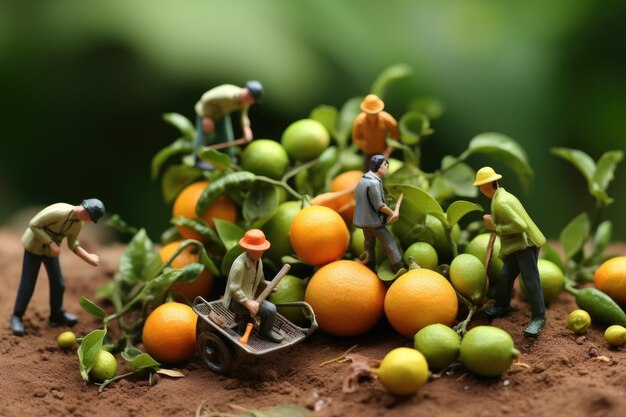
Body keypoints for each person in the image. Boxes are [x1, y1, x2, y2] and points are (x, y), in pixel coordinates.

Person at [10, 199, 106, 336]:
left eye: (91, 219)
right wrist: (50, 243)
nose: (88, 219)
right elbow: (34, 224)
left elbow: (73, 245)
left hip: (51, 252)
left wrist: (88, 257)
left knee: (58, 283)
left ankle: (56, 315)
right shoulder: (59, 211)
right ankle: (17, 316)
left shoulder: (78, 225)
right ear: (83, 208)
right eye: (89, 216)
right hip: (34, 247)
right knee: (28, 283)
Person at [473, 167, 547, 337]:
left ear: (487, 186)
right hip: (516, 244)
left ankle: (539, 317)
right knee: (506, 275)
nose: (481, 189)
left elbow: (520, 225)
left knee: (530, 280)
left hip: (526, 244)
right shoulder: (500, 197)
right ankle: (501, 306)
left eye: (481, 186)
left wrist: (496, 227)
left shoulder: (501, 202)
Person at [223, 229, 283, 343]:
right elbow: (234, 288)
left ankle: (248, 330)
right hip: (236, 301)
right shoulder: (239, 265)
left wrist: (268, 285)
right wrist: (248, 303)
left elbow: (260, 280)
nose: (260, 252)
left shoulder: (258, 261)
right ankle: (264, 332)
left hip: (250, 297)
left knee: (251, 316)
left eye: (262, 250)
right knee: (270, 310)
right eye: (257, 250)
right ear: (248, 248)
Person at [193, 80, 264, 169]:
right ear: (247, 94)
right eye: (252, 100)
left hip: (221, 114)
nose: (252, 103)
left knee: (226, 135)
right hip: (205, 112)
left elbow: (243, 115)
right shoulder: (227, 95)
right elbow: (205, 99)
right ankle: (197, 159)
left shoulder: (245, 102)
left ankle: (229, 156)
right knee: (202, 136)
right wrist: (206, 117)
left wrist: (246, 128)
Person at [353, 155, 404, 273]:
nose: (387, 168)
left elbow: (360, 198)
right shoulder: (374, 183)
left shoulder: (362, 179)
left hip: (363, 221)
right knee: (390, 243)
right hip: (374, 222)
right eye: (385, 165)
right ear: (379, 166)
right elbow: (379, 206)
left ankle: (369, 265)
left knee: (368, 243)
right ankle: (398, 267)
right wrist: (392, 213)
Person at [352, 94, 399, 171]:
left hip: (382, 152)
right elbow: (356, 138)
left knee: (382, 173)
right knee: (367, 172)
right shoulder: (359, 121)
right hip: (368, 152)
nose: (372, 115)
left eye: (374, 113)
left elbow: (395, 134)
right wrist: (363, 144)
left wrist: (388, 150)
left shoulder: (387, 120)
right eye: (369, 113)